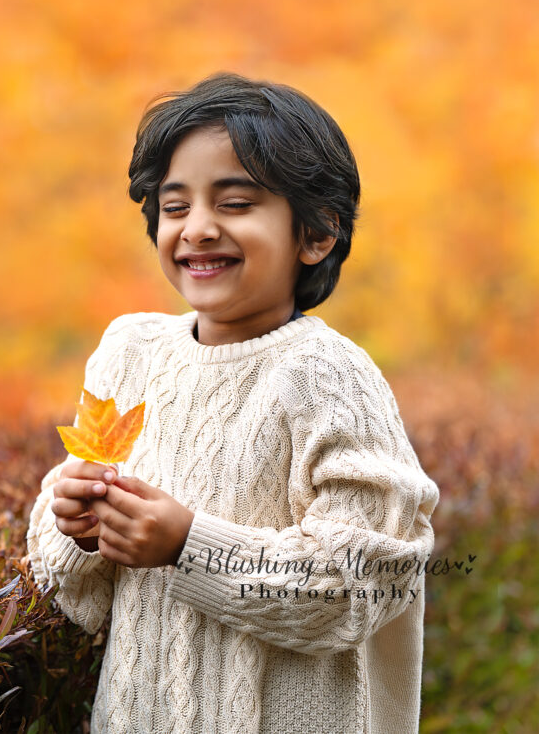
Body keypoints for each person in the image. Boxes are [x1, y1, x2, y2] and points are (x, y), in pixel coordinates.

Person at [25, 72, 441, 734]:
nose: (198, 228)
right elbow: (74, 592)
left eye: (236, 202)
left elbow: (360, 586)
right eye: (175, 204)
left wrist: (189, 546)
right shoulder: (129, 352)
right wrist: (77, 528)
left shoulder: (329, 378)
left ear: (317, 233)